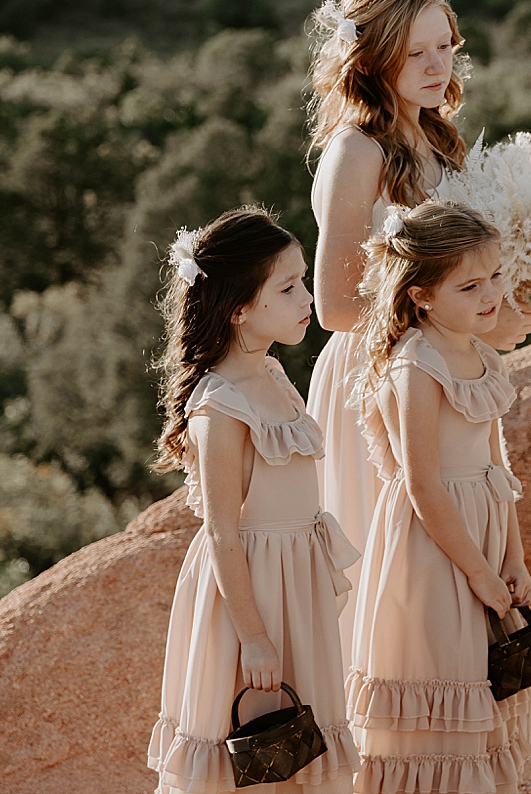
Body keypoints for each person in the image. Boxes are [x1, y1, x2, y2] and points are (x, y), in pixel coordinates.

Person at [303, 0, 531, 652]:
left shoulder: (438, 141)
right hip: (382, 379)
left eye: (447, 46)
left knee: (455, 562)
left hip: (447, 371)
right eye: (417, 53)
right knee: (399, 569)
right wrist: (463, 321)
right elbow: (336, 307)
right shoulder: (357, 152)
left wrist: (496, 307)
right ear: (372, 60)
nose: (439, 65)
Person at [146, 207, 359, 793]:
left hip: (297, 584)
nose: (307, 297)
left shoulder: (271, 373)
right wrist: (255, 636)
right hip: (251, 595)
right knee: (244, 748)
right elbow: (220, 530)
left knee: (299, 745)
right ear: (240, 307)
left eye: (304, 280)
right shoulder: (221, 404)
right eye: (288, 287)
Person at [346, 200, 531, 794]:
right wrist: (479, 572)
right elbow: (422, 483)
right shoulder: (417, 366)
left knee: (486, 686)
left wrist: (513, 559)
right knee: (442, 684)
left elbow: (495, 468)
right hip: (435, 551)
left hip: (485, 537)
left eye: (496, 277)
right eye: (469, 285)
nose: (491, 296)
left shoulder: (481, 353)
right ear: (421, 296)